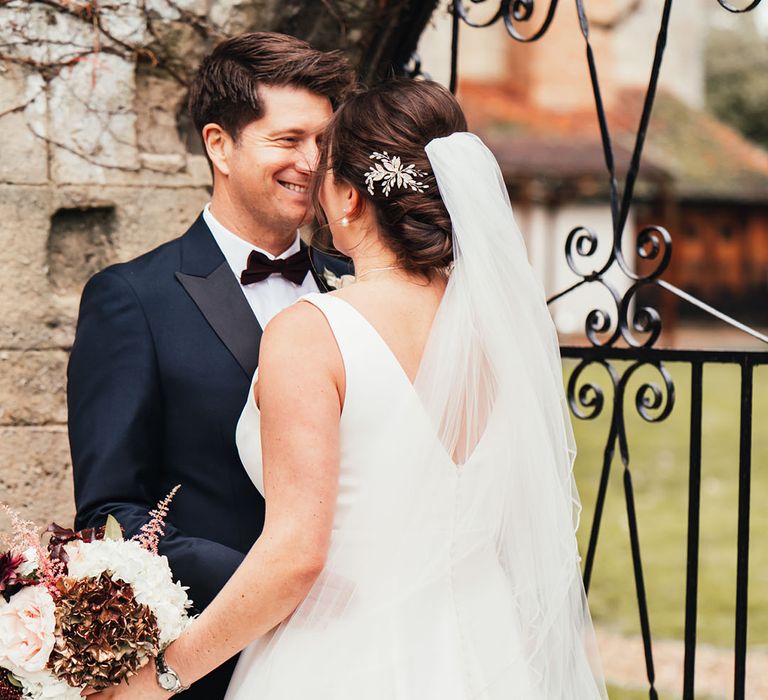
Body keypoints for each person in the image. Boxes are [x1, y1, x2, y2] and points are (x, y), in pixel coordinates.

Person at [89, 79, 607, 699]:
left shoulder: (312, 331)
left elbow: (297, 557)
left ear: (351, 198)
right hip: (487, 655)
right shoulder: (500, 332)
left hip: (342, 660)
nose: (311, 174)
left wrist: (160, 677)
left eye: (326, 164)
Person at [68, 32, 353, 699]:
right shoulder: (132, 298)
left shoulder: (365, 284)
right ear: (219, 144)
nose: (312, 163)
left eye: (324, 142)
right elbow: (112, 509)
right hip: (217, 663)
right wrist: (260, 582)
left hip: (372, 646)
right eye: (288, 141)